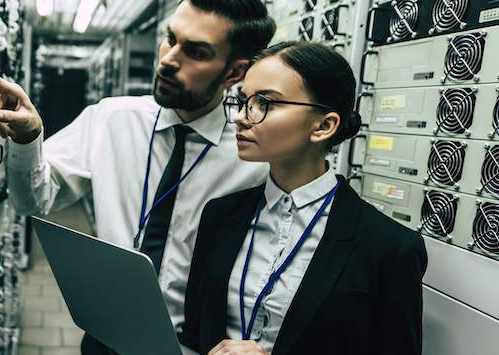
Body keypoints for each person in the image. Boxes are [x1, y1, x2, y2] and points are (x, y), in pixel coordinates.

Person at [0, 0, 275, 353]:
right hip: (105, 340)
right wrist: (27, 140)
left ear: (234, 74)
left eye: (195, 52)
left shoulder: (254, 156)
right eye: (170, 39)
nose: (168, 59)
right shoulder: (111, 120)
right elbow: (31, 201)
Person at [179, 41, 429, 355]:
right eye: (242, 102)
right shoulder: (220, 215)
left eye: (264, 102)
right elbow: (193, 334)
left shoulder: (389, 248)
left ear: (323, 126)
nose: (242, 117)